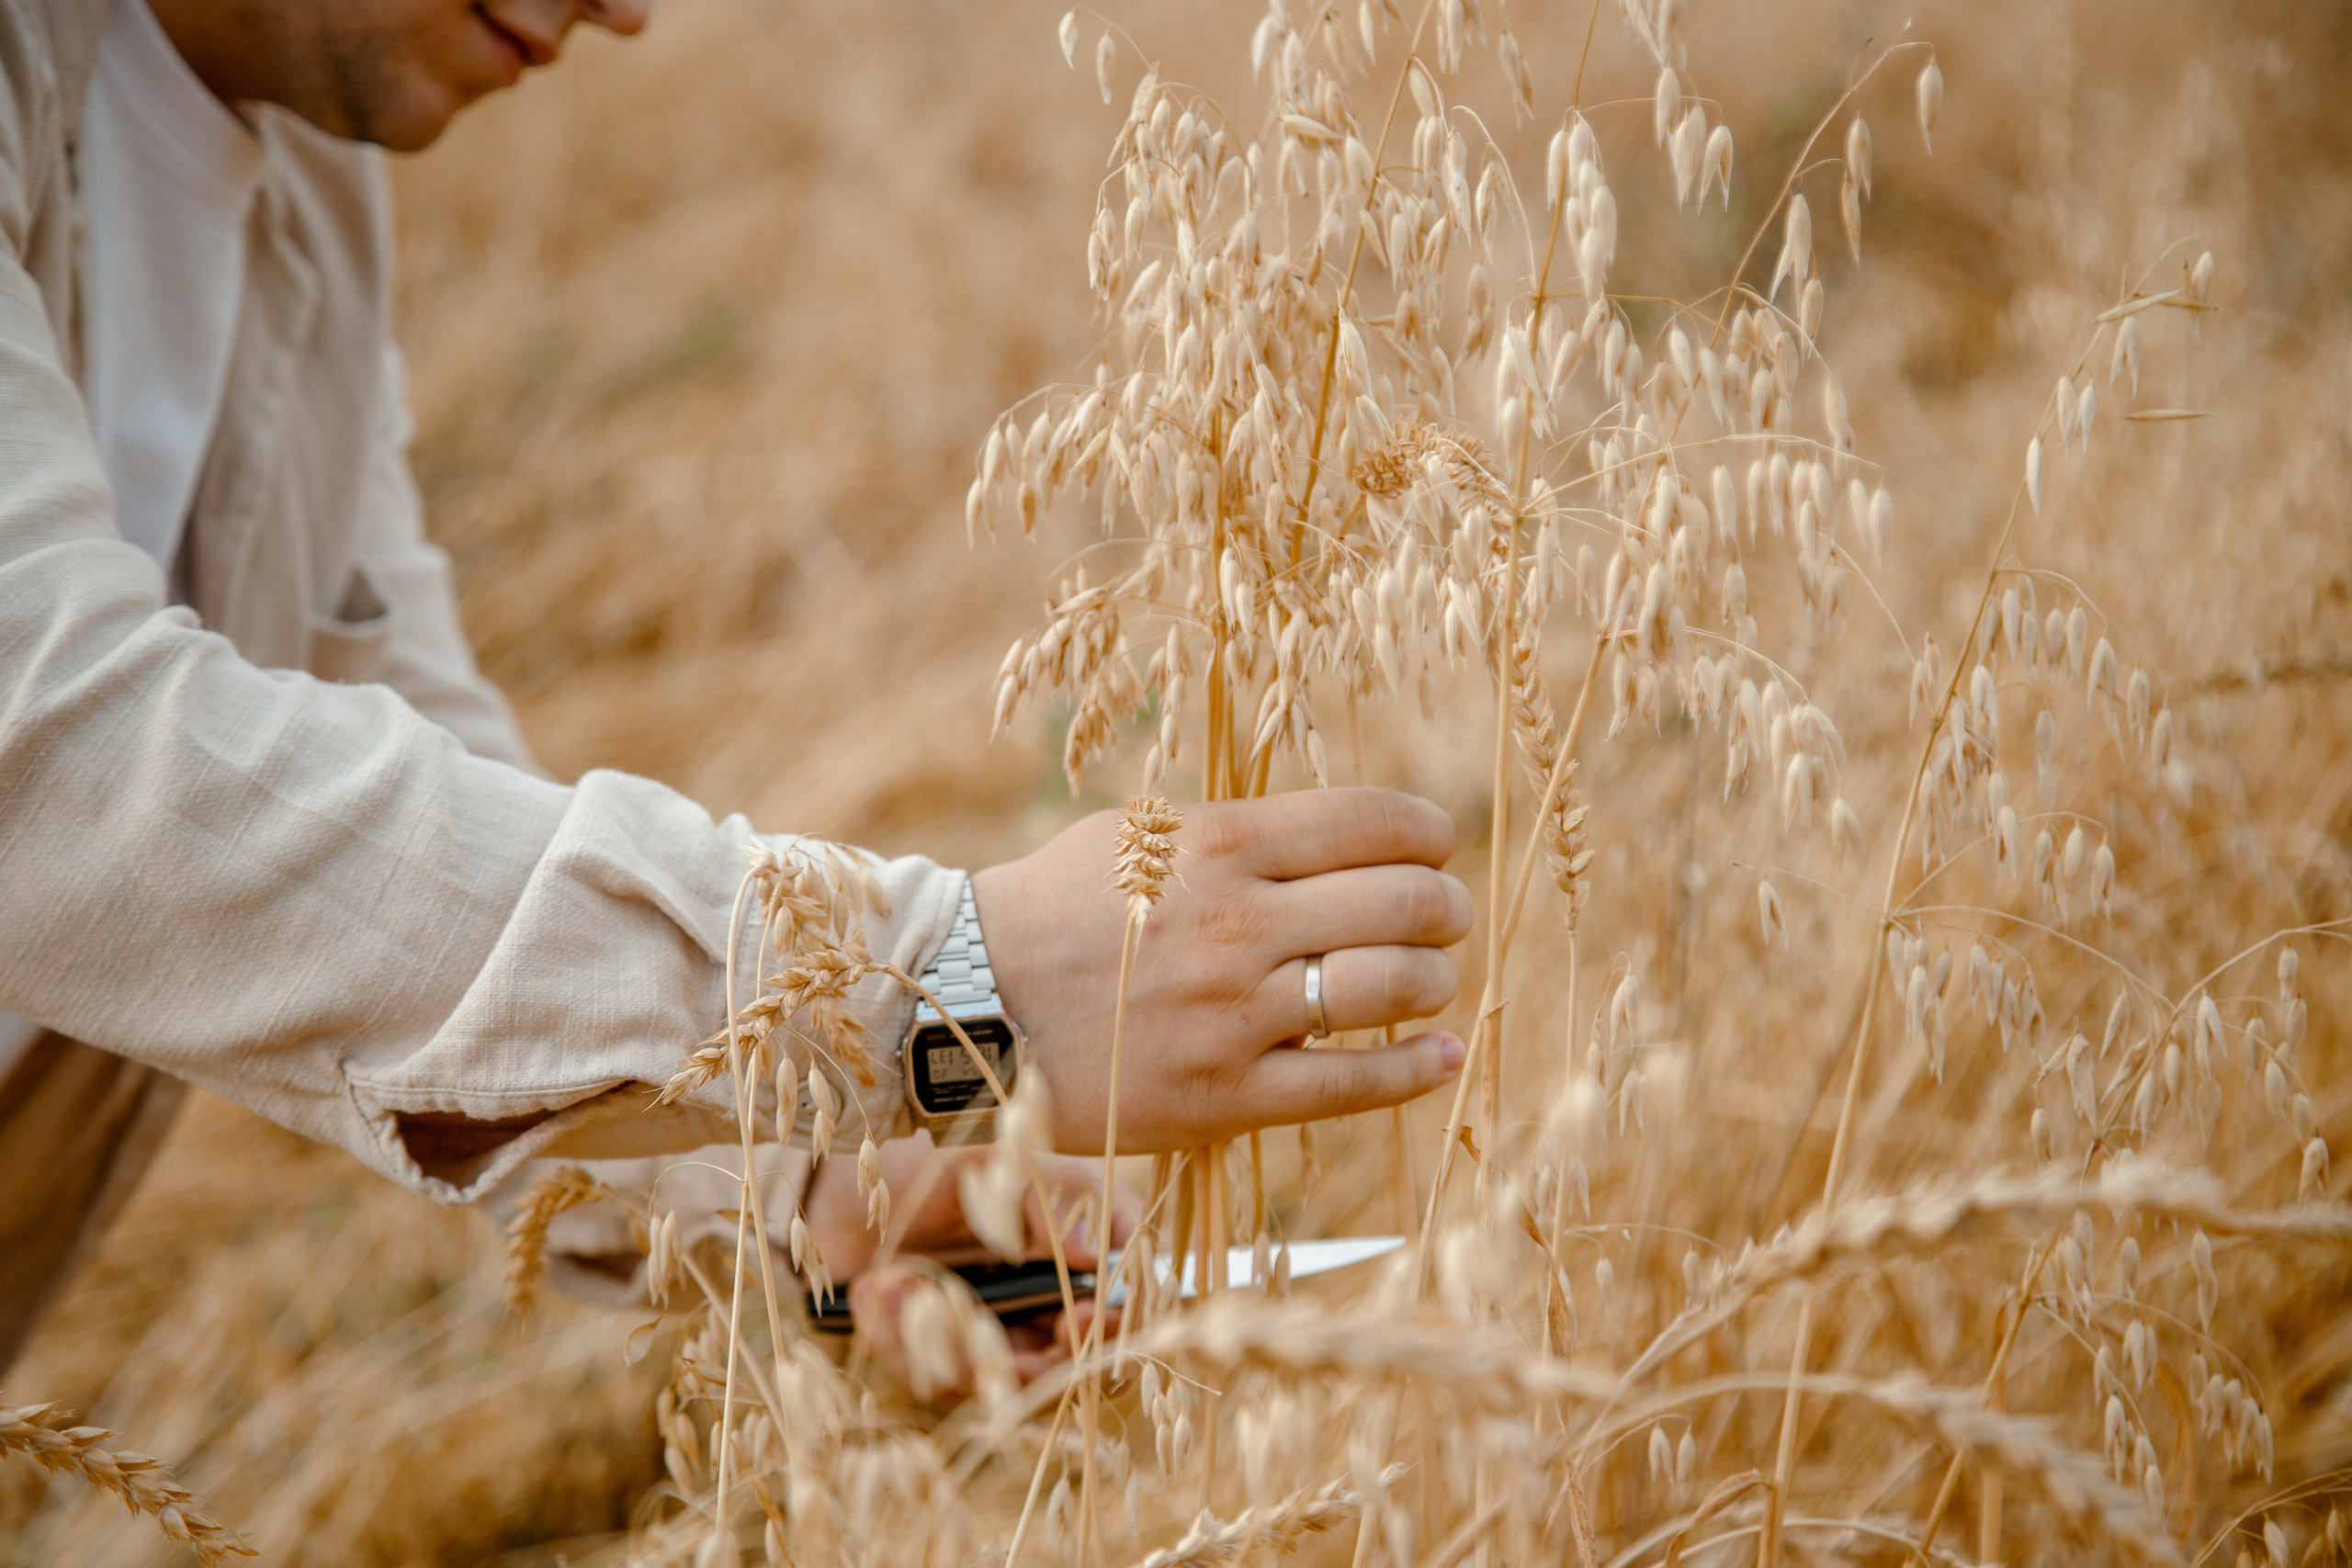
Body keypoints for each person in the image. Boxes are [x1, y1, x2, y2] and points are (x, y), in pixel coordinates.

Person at [0, 0, 1471, 1376]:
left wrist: (820, 1166)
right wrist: (946, 992)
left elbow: (381, 746)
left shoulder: (305, 185)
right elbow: (55, 755)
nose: (627, 8)